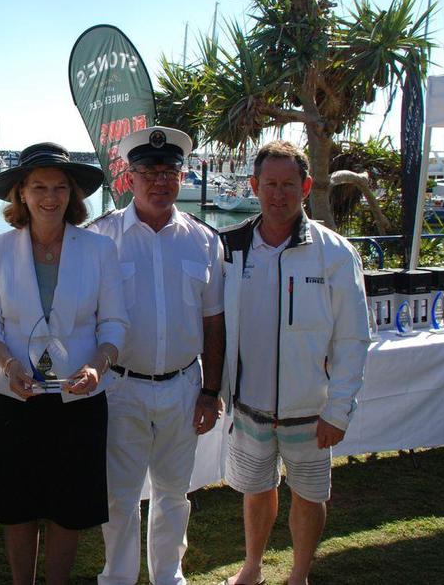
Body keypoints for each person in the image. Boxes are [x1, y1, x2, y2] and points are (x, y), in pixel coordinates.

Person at [0, 142, 128, 585]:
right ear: (20, 193)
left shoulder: (99, 250)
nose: (49, 196)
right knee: (17, 509)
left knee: (70, 509)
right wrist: (7, 365)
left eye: (60, 187)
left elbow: (115, 323)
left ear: (73, 195)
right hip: (13, 398)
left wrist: (99, 365)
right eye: (38, 186)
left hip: (79, 399)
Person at [218, 140, 371, 585]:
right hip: (249, 405)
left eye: (288, 184)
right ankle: (252, 568)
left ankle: (299, 575)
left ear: (305, 187)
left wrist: (338, 410)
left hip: (311, 410)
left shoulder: (335, 253)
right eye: (270, 184)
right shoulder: (231, 249)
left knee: (308, 493)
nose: (278, 194)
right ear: (254, 186)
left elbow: (353, 338)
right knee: (256, 490)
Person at [89, 126, 226, 585]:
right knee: (119, 497)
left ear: (182, 178)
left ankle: (169, 576)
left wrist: (211, 391)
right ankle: (119, 577)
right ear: (129, 177)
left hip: (183, 388)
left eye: (170, 171)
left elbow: (214, 323)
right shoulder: (101, 238)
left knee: (174, 494)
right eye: (149, 171)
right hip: (121, 387)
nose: (160, 181)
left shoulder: (205, 240)